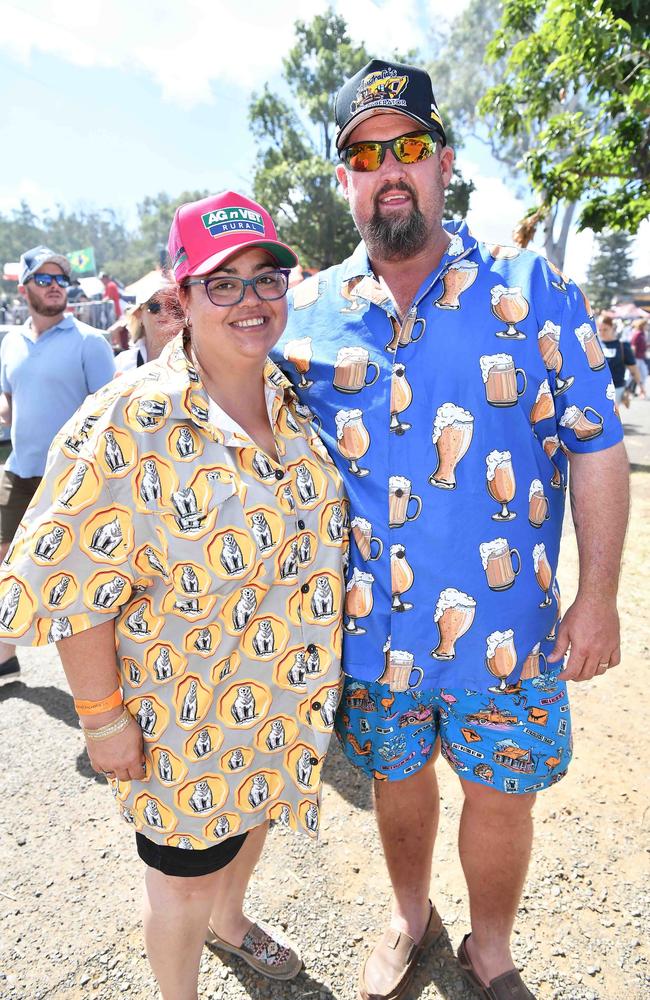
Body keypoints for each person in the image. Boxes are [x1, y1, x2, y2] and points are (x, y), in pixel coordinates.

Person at [273, 59, 629, 1000]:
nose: (390, 166)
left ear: (446, 162)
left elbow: (596, 443)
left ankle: (492, 947)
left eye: (412, 146)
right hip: (372, 633)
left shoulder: (532, 291)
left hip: (508, 629)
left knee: (504, 794)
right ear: (343, 178)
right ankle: (408, 914)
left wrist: (597, 598)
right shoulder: (303, 317)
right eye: (365, 152)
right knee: (399, 785)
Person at [0, 192, 347, 1000]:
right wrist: (100, 716)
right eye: (222, 284)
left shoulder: (295, 400)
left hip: (276, 700)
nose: (250, 301)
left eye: (266, 278)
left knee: (253, 823)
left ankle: (234, 924)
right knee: (182, 884)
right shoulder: (128, 418)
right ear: (181, 299)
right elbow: (71, 578)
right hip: (180, 724)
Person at [0, 245, 115, 682]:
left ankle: (101, 681)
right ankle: (4, 656)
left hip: (71, 480)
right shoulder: (11, 341)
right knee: (6, 563)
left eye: (60, 280)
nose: (54, 287)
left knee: (82, 578)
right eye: (44, 280)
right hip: (18, 469)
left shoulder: (90, 342)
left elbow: (111, 417)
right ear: (25, 286)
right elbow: (10, 406)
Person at [114, 276, 184, 372]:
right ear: (138, 314)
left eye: (172, 305)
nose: (164, 312)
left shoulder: (197, 360)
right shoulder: (122, 364)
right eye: (154, 306)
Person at [597, 311, 640, 407]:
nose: (602, 332)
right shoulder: (595, 345)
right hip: (597, 388)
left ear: (612, 328)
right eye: (600, 330)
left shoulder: (623, 346)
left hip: (617, 388)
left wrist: (639, 387)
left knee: (612, 417)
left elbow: (633, 369)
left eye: (605, 329)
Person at [629, 317, 648, 398]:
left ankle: (639, 390)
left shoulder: (643, 334)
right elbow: (633, 346)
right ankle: (625, 390)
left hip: (641, 357)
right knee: (631, 376)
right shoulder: (637, 334)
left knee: (643, 374)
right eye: (646, 325)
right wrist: (632, 359)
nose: (648, 326)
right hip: (636, 358)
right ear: (642, 325)